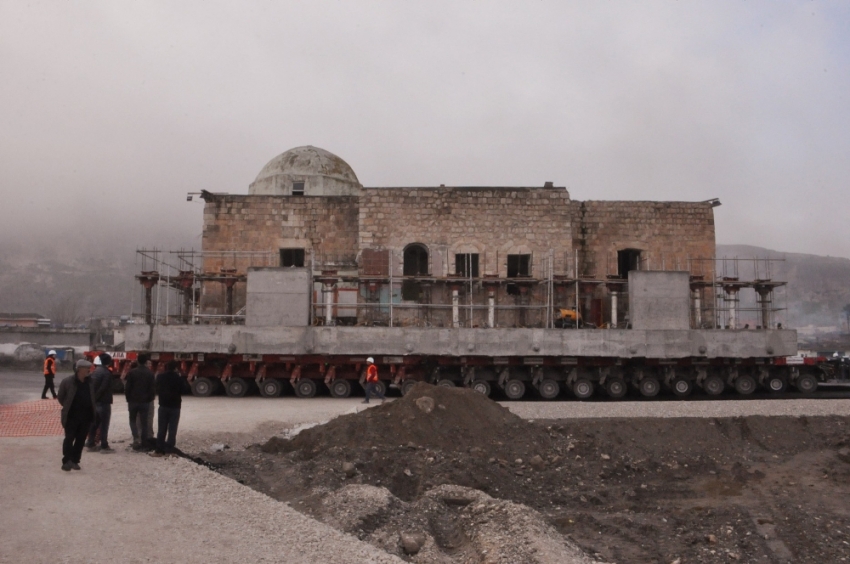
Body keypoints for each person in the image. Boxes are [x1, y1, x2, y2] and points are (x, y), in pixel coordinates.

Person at [57, 359, 96, 471]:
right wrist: (68, 406)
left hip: (86, 417)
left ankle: (75, 461)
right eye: (86, 368)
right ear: (79, 370)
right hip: (71, 416)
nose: (89, 370)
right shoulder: (68, 381)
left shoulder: (91, 382)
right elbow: (61, 397)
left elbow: (94, 396)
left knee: (81, 439)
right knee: (69, 438)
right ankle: (66, 461)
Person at [151, 361, 193, 457]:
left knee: (161, 429)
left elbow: (156, 388)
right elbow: (184, 390)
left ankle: (159, 450)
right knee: (172, 429)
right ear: (175, 368)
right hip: (175, 406)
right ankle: (169, 450)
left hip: (163, 405)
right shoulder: (178, 378)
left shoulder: (160, 377)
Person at [124, 354, 155, 449]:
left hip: (133, 401)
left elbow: (127, 388)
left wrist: (128, 399)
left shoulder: (132, 372)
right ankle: (144, 442)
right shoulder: (150, 373)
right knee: (144, 422)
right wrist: (149, 399)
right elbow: (152, 389)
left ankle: (136, 439)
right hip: (145, 402)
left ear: (137, 361)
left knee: (132, 420)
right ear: (146, 362)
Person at [85, 353, 115, 453]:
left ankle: (90, 443)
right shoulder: (107, 373)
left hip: (94, 404)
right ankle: (104, 446)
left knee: (93, 424)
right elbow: (103, 388)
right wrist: (97, 398)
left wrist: (92, 399)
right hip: (104, 402)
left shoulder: (95, 372)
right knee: (104, 425)